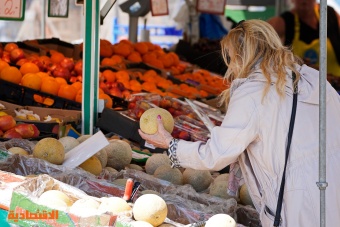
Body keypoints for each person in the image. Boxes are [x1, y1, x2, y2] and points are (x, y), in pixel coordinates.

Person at [138, 19, 340, 227]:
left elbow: (216, 154)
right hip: (332, 187)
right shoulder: (315, 80)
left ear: (240, 56)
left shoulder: (254, 92)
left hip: (297, 200)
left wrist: (171, 145)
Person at [267, 0, 340, 89]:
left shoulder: (330, 15)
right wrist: (293, 62)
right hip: (301, 91)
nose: (304, 0)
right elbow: (261, 42)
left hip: (335, 85)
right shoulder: (282, 22)